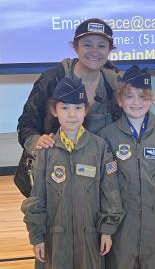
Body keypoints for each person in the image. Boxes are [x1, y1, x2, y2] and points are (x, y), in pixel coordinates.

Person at [15, 18, 155, 197]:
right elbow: (26, 123)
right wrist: (36, 141)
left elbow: (134, 114)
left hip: (101, 178)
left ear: (110, 49)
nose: (94, 52)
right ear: (76, 47)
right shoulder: (52, 80)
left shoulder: (116, 82)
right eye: (87, 45)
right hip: (57, 181)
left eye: (102, 46)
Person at [21, 77, 124, 269]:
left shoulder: (99, 147)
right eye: (65, 108)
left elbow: (110, 193)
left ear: (86, 111)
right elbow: (36, 199)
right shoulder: (46, 150)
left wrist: (108, 230)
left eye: (78, 108)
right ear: (54, 111)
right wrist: (37, 237)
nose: (72, 115)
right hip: (55, 241)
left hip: (90, 239)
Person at [98, 65, 155, 269]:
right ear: (120, 101)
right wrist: (105, 225)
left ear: (151, 99)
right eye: (129, 96)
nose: (137, 102)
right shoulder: (107, 137)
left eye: (143, 96)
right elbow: (102, 185)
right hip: (121, 223)